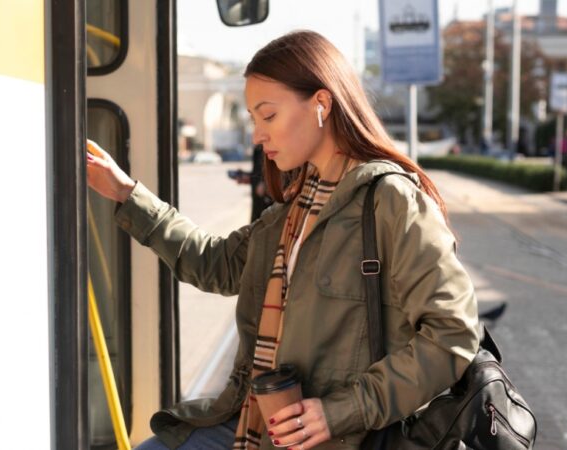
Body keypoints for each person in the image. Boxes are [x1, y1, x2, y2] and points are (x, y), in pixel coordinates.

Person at [86, 30, 479, 450]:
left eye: (268, 116)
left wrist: (339, 412)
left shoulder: (392, 201)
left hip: (346, 437)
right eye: (254, 119)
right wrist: (127, 194)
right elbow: (215, 264)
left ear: (321, 105)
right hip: (259, 424)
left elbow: (453, 333)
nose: (257, 135)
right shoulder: (293, 210)